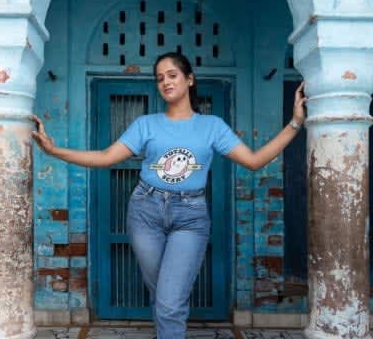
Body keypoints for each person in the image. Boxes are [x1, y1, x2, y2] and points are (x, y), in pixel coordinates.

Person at [31, 52, 307, 339]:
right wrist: (54, 151)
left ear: (189, 79)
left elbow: (253, 160)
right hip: (145, 211)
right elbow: (106, 156)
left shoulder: (211, 126)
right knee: (163, 296)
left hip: (190, 216)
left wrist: (295, 123)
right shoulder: (145, 124)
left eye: (172, 75)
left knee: (169, 301)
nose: (165, 82)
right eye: (159, 78)